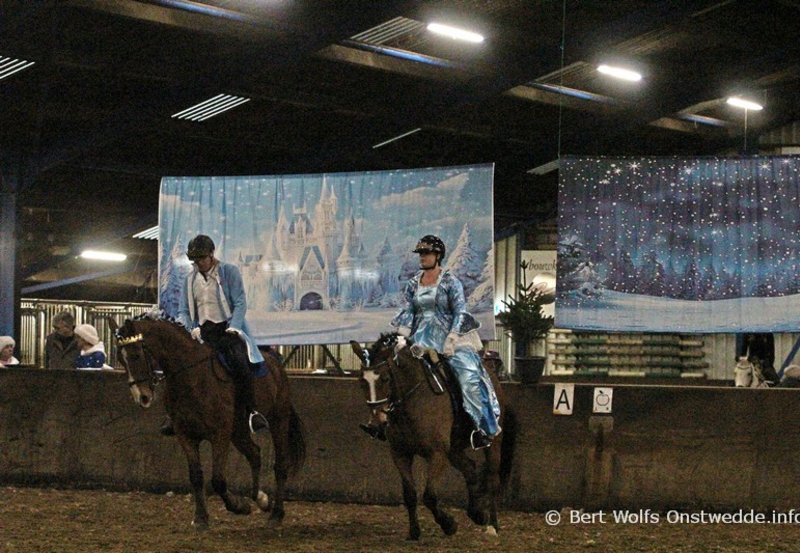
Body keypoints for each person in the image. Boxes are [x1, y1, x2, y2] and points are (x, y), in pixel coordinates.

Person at [362, 234, 502, 450]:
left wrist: (453, 337)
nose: (422, 257)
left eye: (426, 253)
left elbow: (460, 312)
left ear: (438, 256)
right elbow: (409, 311)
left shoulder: (450, 282)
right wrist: (403, 334)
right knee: (393, 374)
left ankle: (482, 429)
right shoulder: (412, 284)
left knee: (469, 377)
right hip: (421, 338)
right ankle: (383, 423)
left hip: (451, 338)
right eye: (421, 254)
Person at [169, 234, 268, 435]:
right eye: (195, 260)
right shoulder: (190, 280)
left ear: (212, 254)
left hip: (227, 329)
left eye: (202, 259)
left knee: (240, 361)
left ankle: (252, 411)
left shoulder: (229, 271)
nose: (198, 263)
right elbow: (184, 311)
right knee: (179, 365)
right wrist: (190, 329)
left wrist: (235, 327)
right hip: (202, 332)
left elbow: (240, 302)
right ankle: (175, 415)